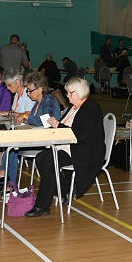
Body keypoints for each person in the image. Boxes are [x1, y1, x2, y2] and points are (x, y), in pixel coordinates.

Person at [25, 77, 105, 217]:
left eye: (70, 93)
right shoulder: (73, 108)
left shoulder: (90, 108)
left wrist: (58, 125)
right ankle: (66, 189)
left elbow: (81, 136)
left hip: (83, 151)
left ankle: (42, 205)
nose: (67, 96)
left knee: (48, 160)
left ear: (79, 92)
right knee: (41, 158)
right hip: (69, 147)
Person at [0, 71, 61, 182]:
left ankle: (9, 182)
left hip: (46, 140)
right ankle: (7, 179)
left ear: (40, 89)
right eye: (27, 90)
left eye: (30, 90)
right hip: (37, 137)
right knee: (11, 147)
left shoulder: (49, 101)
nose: (28, 93)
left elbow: (47, 122)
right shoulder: (37, 103)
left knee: (13, 149)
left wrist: (26, 117)